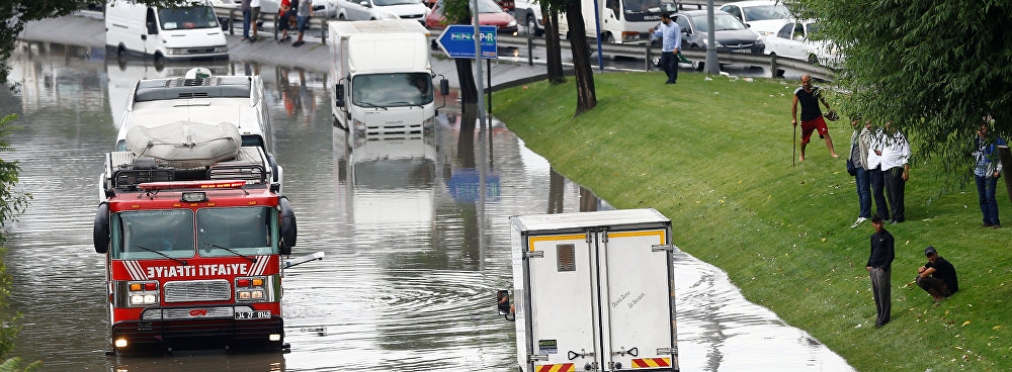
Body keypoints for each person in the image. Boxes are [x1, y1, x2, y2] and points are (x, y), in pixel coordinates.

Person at [791, 74, 839, 161]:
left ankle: (832, 153)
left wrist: (829, 109)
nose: (806, 84)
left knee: (826, 133)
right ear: (802, 82)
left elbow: (823, 99)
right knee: (804, 139)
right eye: (804, 82)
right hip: (806, 119)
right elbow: (794, 105)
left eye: (807, 81)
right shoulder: (798, 92)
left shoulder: (815, 89)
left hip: (817, 117)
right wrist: (794, 119)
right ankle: (802, 154)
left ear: (811, 81)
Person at [973, 121, 1005, 228]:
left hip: (990, 173)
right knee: (982, 198)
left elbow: (1002, 155)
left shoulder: (995, 141)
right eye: (979, 130)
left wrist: (998, 170)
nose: (981, 132)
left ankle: (995, 222)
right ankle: (987, 221)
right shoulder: (976, 141)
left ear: (987, 128)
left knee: (990, 197)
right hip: (978, 173)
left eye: (983, 129)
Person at [866, 214, 894, 328]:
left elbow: (891, 254)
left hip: (882, 269)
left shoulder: (888, 237)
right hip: (873, 268)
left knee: (884, 293)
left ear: (882, 223)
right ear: (873, 224)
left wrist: (884, 268)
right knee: (876, 294)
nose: (878, 225)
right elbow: (873, 252)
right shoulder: (873, 237)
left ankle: (885, 317)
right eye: (876, 223)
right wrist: (868, 264)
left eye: (880, 223)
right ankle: (880, 315)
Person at [880, 121, 910, 224]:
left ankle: (899, 217)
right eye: (887, 126)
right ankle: (894, 216)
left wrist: (906, 170)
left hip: (896, 168)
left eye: (890, 126)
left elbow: (906, 154)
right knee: (889, 194)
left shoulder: (900, 137)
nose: (888, 128)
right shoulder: (885, 137)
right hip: (886, 168)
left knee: (896, 194)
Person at [849, 116, 872, 228]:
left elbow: (869, 148)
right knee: (859, 191)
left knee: (864, 190)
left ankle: (866, 214)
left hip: (862, 166)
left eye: (855, 120)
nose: (853, 123)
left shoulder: (864, 133)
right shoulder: (855, 134)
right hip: (855, 167)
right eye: (852, 121)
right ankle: (862, 213)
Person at [866, 121, 890, 222]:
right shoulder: (870, 134)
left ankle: (883, 215)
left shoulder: (881, 133)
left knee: (877, 192)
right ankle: (881, 213)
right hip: (871, 166)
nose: (868, 126)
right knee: (876, 192)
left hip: (878, 166)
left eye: (869, 123)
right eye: (866, 124)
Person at [648, 13, 681, 85]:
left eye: (663, 19)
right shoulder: (663, 26)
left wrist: (676, 48)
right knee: (663, 64)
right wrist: (653, 32)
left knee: (673, 66)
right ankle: (670, 78)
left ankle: (672, 80)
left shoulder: (675, 26)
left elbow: (678, 38)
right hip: (665, 50)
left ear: (667, 18)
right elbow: (660, 33)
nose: (662, 21)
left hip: (673, 50)